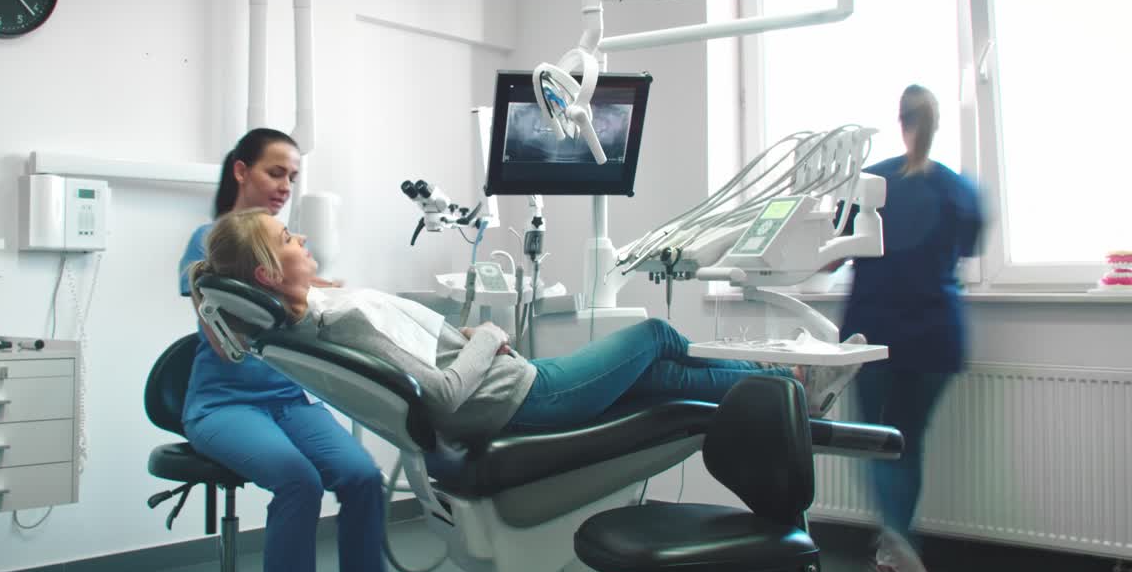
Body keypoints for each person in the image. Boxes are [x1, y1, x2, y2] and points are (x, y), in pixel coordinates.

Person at [188, 208, 865, 448]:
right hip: (520, 397)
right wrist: (487, 336)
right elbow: (441, 395)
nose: (302, 239)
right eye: (288, 238)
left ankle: (794, 389)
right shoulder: (341, 322)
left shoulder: (314, 319)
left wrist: (466, 339)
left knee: (664, 378)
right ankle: (787, 376)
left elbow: (424, 361)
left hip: (509, 390)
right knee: (655, 337)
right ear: (268, 273)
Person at [178, 128, 395, 572]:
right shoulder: (212, 241)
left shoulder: (288, 246)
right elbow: (222, 331)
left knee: (363, 477)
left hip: (288, 400)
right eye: (275, 172)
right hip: (224, 404)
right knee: (299, 481)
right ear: (241, 171)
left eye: (292, 177)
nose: (285, 186)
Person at [839, 85, 983, 572]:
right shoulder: (959, 190)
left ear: (900, 123)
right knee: (906, 443)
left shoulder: (869, 182)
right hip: (937, 335)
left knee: (874, 442)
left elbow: (831, 252)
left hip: (876, 334)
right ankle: (896, 546)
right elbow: (966, 250)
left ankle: (898, 551)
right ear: (934, 125)